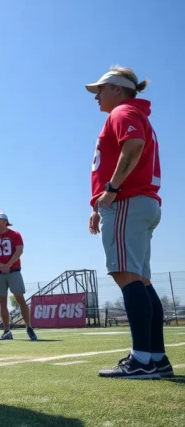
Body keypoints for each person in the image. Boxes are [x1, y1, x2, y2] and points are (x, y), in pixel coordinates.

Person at [85, 66, 170, 378]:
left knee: (126, 276)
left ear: (117, 90)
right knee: (141, 281)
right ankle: (155, 358)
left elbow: (133, 146)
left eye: (100, 90)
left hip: (127, 202)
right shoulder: (133, 111)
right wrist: (100, 202)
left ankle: (142, 359)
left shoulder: (122, 112)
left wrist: (111, 190)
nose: (96, 97)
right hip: (139, 203)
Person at [0, 212, 37, 342]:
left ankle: (29, 327)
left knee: (20, 298)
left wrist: (8, 264)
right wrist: (0, 265)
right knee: (2, 302)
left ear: (4, 221)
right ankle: (7, 330)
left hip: (13, 271)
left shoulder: (15, 235)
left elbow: (19, 250)